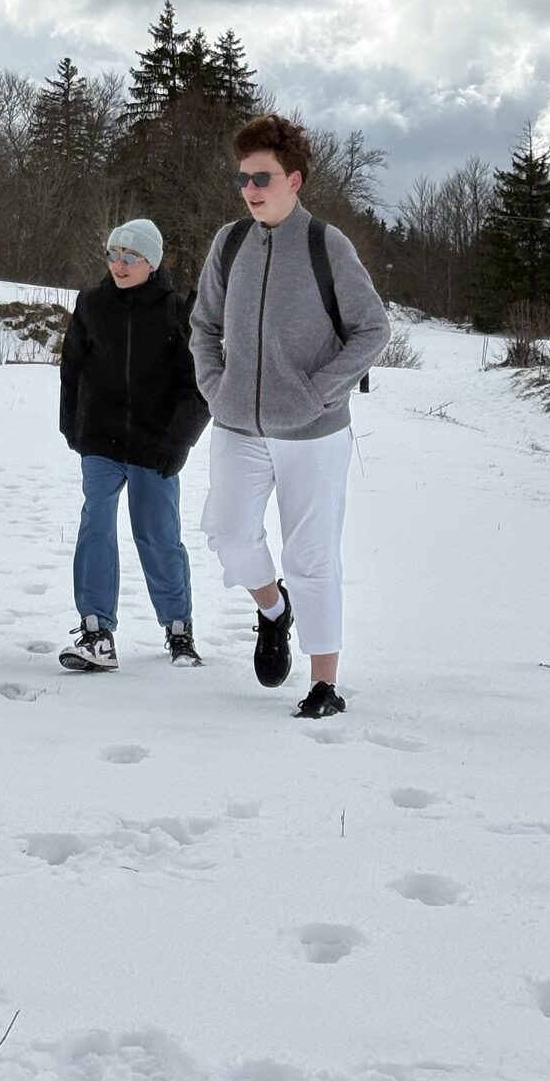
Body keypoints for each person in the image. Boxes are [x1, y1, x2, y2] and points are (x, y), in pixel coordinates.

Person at [190, 115, 390, 718]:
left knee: (311, 556)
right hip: (237, 424)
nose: (250, 189)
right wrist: (215, 387)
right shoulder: (229, 244)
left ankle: (324, 684)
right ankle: (274, 610)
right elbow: (204, 325)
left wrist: (316, 394)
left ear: (294, 180)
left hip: (312, 432)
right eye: (243, 178)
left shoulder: (326, 245)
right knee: (228, 533)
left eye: (263, 178)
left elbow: (372, 329)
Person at [57, 218, 209, 673]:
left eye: (131, 257)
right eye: (113, 254)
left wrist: (178, 443)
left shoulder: (175, 312)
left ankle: (178, 628)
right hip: (100, 438)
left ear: (152, 263)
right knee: (96, 524)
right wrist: (73, 427)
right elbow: (72, 369)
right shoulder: (91, 304)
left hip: (155, 443)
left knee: (157, 534)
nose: (119, 265)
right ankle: (96, 631)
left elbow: (197, 385)